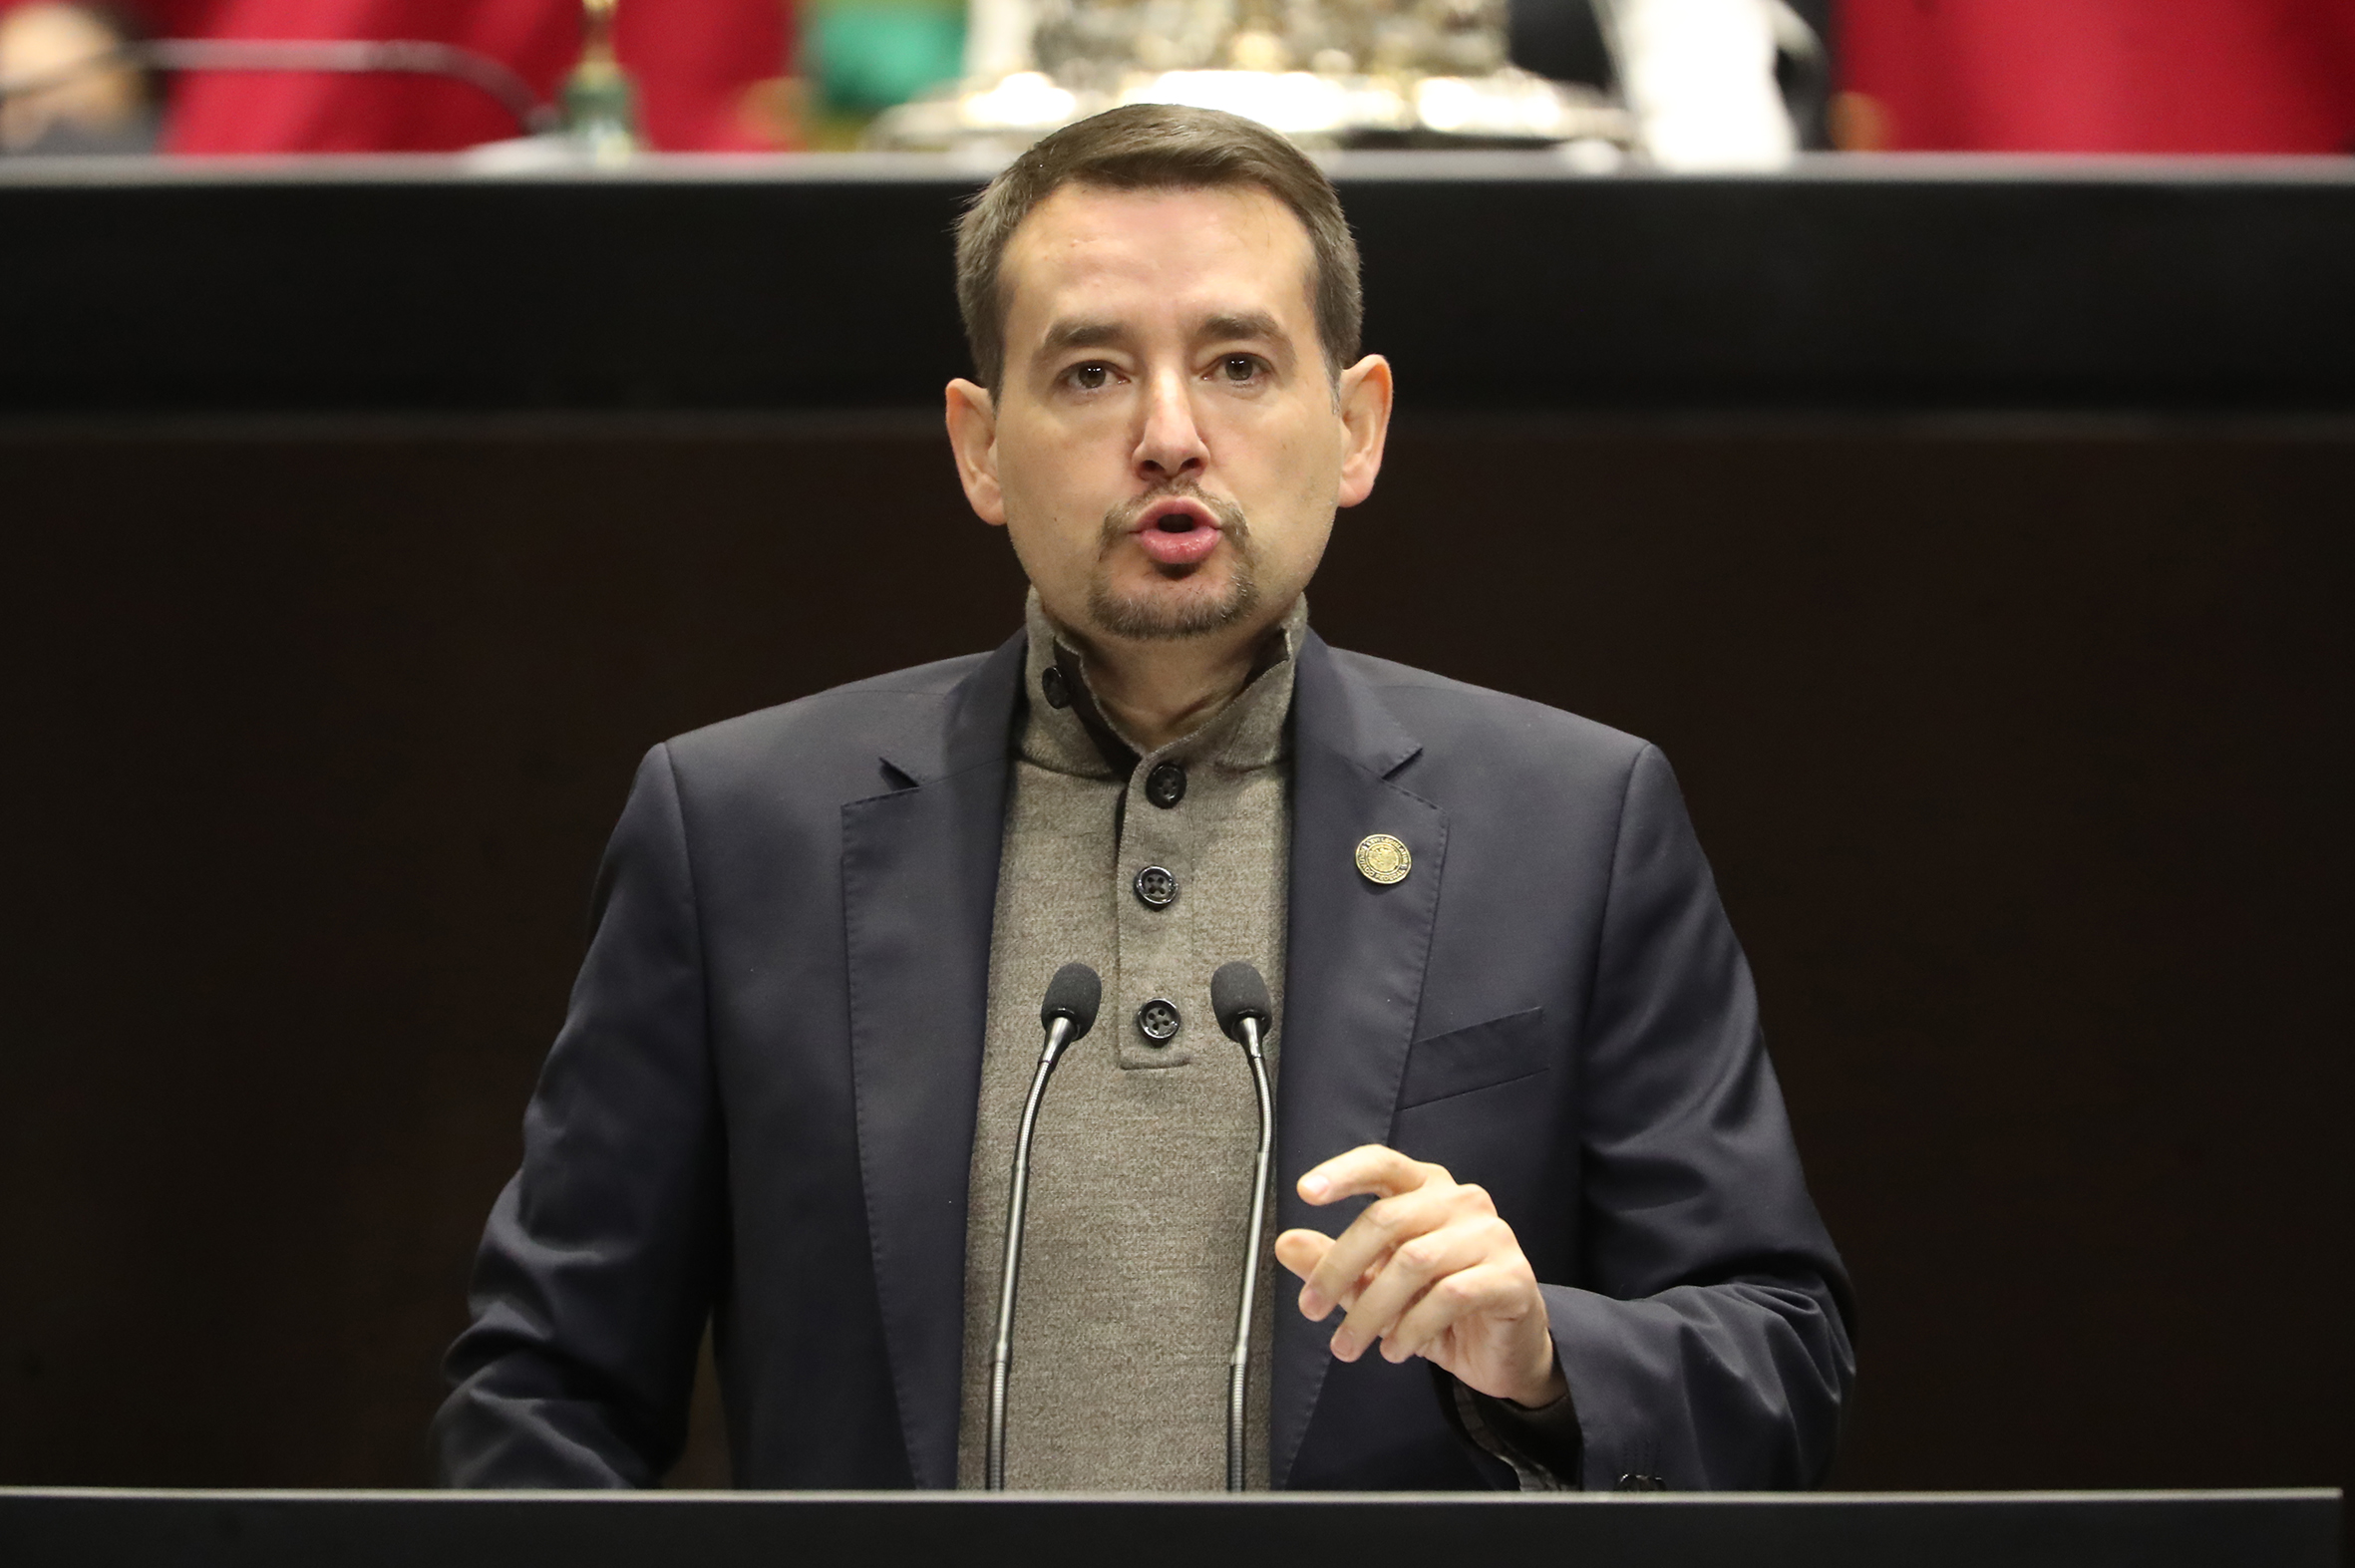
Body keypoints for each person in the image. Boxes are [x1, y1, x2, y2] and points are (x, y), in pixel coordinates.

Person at [435, 103, 1853, 1493]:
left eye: (1238, 364)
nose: (1170, 433)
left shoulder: (1572, 824)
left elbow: (1778, 1358)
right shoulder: (743, 829)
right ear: (980, 445)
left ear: (1355, 425)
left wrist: (1546, 1358)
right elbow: (543, 1388)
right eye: (1092, 372)